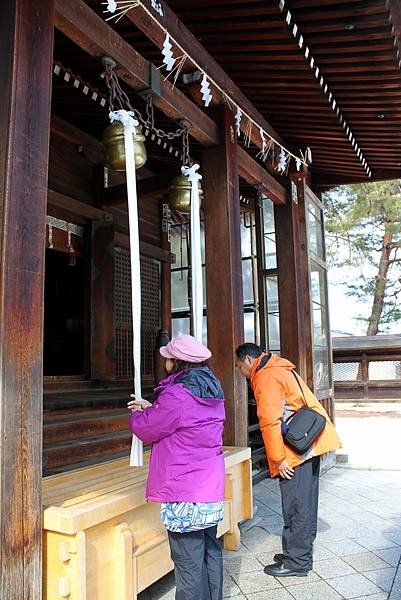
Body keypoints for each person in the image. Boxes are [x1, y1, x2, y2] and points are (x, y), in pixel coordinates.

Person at [128, 334, 226, 600]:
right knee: (209, 549)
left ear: (177, 362)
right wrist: (154, 406)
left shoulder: (178, 394)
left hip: (185, 489)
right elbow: (180, 420)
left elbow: (147, 428)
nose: (165, 362)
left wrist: (139, 413)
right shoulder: (212, 389)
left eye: (168, 358)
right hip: (209, 485)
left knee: (188, 562)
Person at [235, 343, 341, 578]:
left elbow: (270, 421)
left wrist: (278, 459)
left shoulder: (266, 376)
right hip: (309, 443)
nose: (240, 372)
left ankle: (297, 562)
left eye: (239, 366)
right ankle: (298, 553)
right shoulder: (280, 368)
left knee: (296, 506)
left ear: (249, 361)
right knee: (305, 503)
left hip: (295, 452)